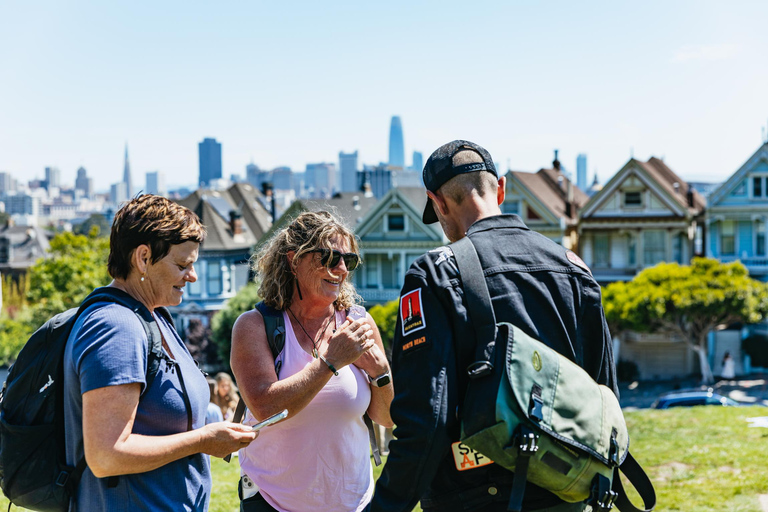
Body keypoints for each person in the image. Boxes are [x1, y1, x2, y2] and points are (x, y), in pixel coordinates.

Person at [371, 141, 618, 512]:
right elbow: (605, 401)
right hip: (565, 493)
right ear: (500, 188)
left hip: (472, 498)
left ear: (437, 203)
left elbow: (426, 421)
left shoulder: (435, 274)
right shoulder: (573, 268)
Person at [63, 195, 257, 511]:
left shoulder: (154, 315)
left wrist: (214, 426)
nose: (192, 276)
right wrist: (204, 440)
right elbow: (107, 455)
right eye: (182, 265)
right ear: (143, 258)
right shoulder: (116, 328)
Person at [231, 211, 394, 512]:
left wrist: (381, 373)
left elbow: (387, 418)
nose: (342, 268)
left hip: (355, 503)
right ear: (294, 260)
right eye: (330, 257)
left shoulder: (359, 323)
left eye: (350, 260)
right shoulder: (254, 326)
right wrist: (329, 363)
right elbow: (265, 407)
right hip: (273, 503)